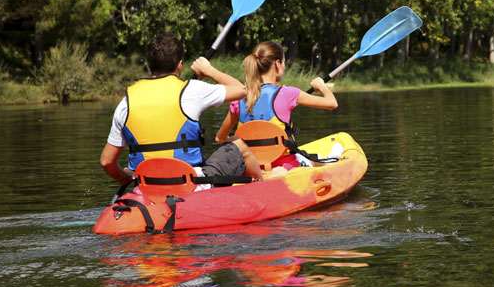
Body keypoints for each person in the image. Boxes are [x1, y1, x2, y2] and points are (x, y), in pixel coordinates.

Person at [100, 32, 263, 190]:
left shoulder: (125, 103)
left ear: (149, 67)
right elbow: (241, 90)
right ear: (180, 65)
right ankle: (263, 187)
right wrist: (208, 70)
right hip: (190, 184)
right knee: (237, 143)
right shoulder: (193, 90)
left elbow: (107, 162)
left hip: (147, 186)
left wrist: (126, 178)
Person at [214, 41, 337, 174]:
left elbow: (220, 139)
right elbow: (332, 104)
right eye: (283, 63)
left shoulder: (238, 98)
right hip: (286, 166)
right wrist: (322, 86)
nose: (284, 67)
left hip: (251, 169)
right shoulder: (288, 94)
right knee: (324, 159)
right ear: (277, 64)